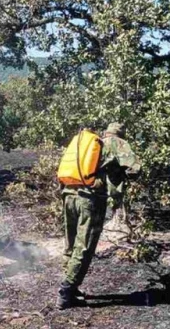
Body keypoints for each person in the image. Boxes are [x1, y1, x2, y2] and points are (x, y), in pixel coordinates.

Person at [58, 122, 140, 310]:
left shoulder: (93, 143)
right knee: (85, 245)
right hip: (90, 199)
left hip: (69, 195)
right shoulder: (116, 143)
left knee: (70, 244)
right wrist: (119, 177)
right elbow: (135, 168)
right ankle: (66, 290)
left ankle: (71, 285)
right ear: (120, 134)